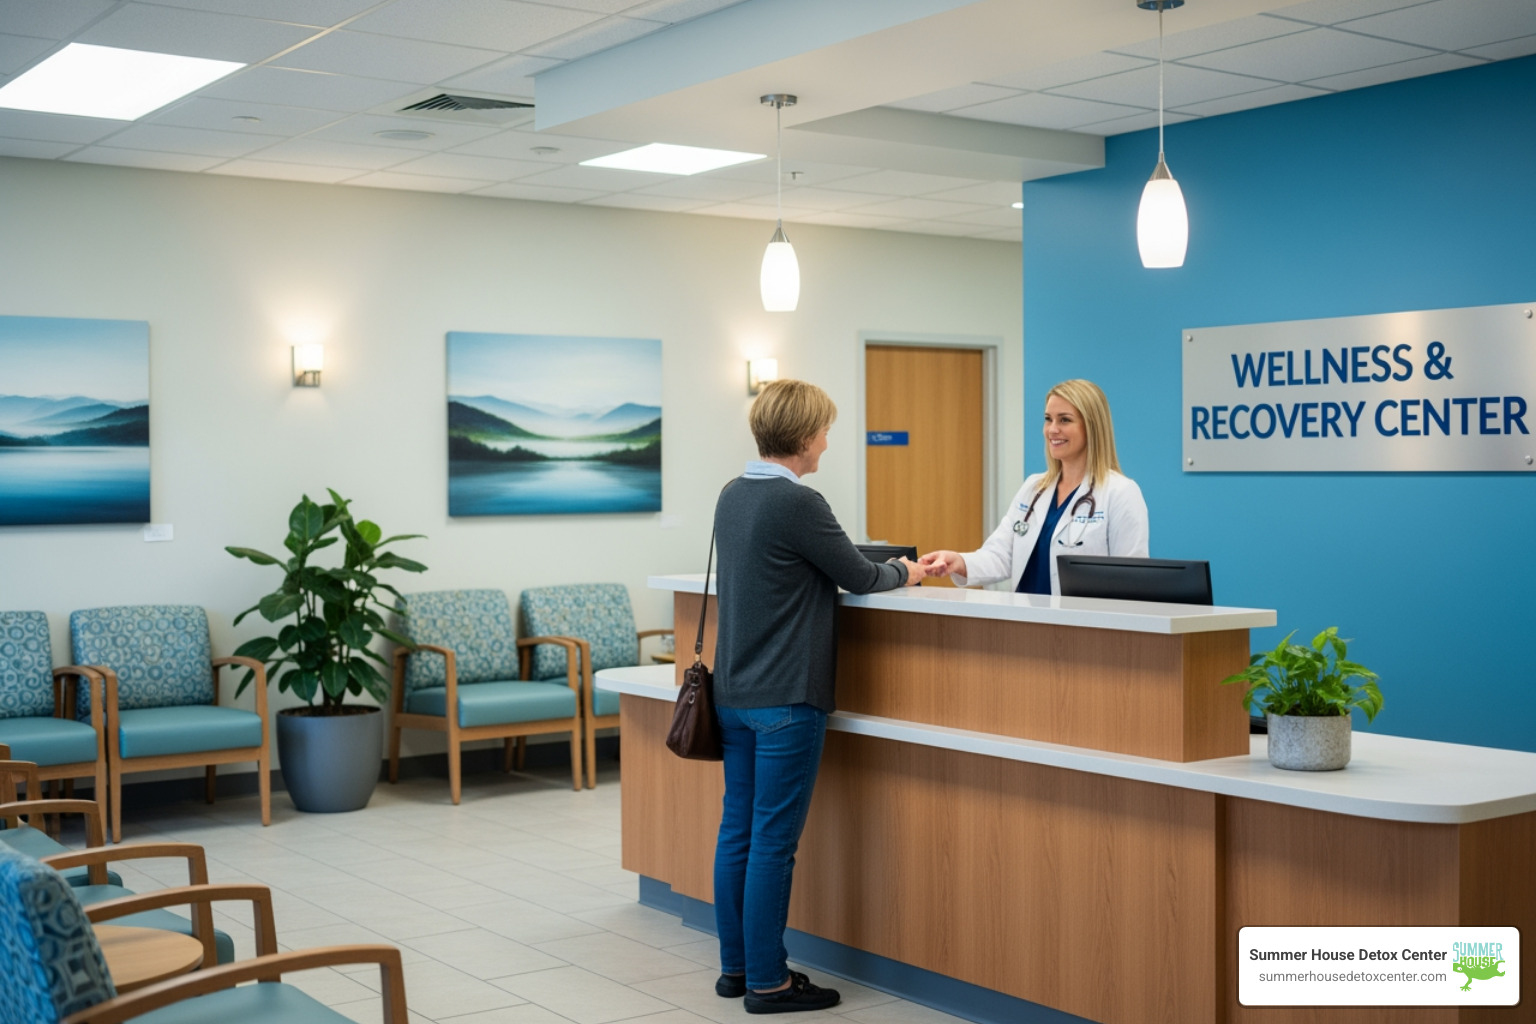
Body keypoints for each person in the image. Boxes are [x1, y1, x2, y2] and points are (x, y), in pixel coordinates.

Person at [710, 379, 929, 1013]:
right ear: (805, 437)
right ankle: (769, 983)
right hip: (785, 701)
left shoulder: (733, 494)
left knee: (739, 834)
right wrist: (908, 570)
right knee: (773, 842)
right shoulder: (798, 502)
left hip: (735, 695)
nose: (828, 443)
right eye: (826, 431)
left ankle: (735, 969)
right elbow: (860, 576)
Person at [920, 378, 1148, 593]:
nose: (1052, 429)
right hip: (1027, 624)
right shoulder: (1034, 488)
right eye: (1048, 419)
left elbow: (1131, 580)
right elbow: (1001, 555)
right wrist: (958, 561)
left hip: (1084, 627)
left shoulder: (1120, 493)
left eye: (1065, 420)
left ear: (1092, 427)